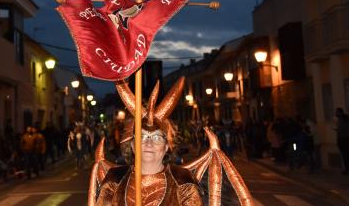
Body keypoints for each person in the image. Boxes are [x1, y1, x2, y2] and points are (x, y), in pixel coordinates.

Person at [91, 79, 253, 206]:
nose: (149, 143)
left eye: (156, 137)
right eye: (142, 137)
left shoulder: (182, 180)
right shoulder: (114, 179)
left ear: (166, 146)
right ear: (132, 145)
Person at [335, 108, 349, 174]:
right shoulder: (343, 119)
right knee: (346, 155)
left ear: (340, 112)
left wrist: (337, 129)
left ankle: (348, 169)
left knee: (346, 155)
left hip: (343, 139)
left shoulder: (343, 119)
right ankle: (348, 168)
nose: (335, 113)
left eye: (336, 112)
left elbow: (341, 129)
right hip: (344, 138)